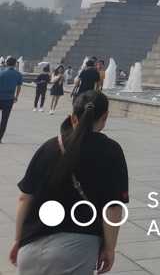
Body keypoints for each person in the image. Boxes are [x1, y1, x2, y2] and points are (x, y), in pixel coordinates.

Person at [8, 90, 129, 274]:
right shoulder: (111, 151)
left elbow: (25, 197)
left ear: (73, 118)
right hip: (75, 250)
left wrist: (18, 239)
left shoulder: (48, 147)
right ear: (105, 116)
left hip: (31, 247)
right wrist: (109, 247)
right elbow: (112, 207)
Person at [0, 57, 23, 142]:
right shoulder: (18, 74)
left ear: (7, 63)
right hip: (10, 97)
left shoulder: (2, 73)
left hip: (0, 96)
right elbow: (19, 87)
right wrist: (16, 96)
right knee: (5, 118)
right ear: (15, 64)